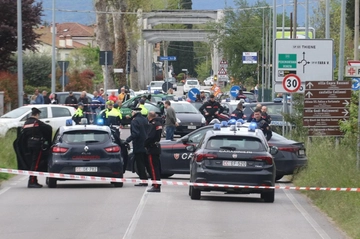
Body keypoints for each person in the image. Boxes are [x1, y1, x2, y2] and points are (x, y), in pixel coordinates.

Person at [21, 107, 52, 188]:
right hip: (37, 145)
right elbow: (48, 128)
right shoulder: (37, 122)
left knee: (32, 163)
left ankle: (35, 180)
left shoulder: (26, 122)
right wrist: (47, 141)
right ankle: (31, 182)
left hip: (29, 145)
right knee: (35, 164)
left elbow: (23, 135)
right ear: (37, 114)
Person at [125, 108, 149, 186]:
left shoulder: (135, 121)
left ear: (134, 112)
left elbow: (135, 133)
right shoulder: (145, 119)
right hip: (146, 144)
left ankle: (143, 180)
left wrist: (127, 140)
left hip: (138, 145)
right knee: (147, 163)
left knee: (140, 164)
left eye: (132, 112)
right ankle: (153, 180)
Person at [144, 111, 163, 192]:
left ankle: (156, 185)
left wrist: (145, 144)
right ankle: (157, 183)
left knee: (153, 168)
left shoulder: (153, 124)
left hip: (152, 148)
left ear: (149, 117)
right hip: (157, 147)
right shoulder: (159, 123)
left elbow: (150, 137)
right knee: (157, 167)